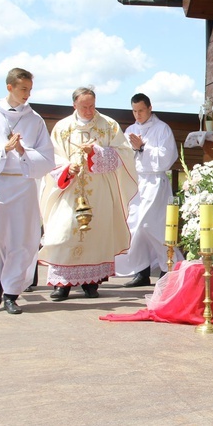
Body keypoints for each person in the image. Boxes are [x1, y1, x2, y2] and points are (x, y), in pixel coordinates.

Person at [0, 67, 55, 314]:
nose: (27, 94)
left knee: (22, 240)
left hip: (24, 185)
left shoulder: (34, 120)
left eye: (30, 89)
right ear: (10, 87)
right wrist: (3, 150)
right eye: (23, 89)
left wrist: (23, 151)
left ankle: (12, 293)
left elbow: (47, 157)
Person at [38, 86, 138, 301]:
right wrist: (67, 169)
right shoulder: (62, 127)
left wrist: (96, 153)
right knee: (63, 232)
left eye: (92, 106)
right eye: (84, 106)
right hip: (69, 189)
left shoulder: (108, 125)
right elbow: (53, 156)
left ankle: (91, 282)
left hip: (98, 190)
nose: (89, 110)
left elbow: (123, 154)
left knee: (96, 233)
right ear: (74, 105)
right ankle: (61, 284)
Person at [115, 93, 182, 287]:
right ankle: (141, 271)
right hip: (137, 183)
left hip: (155, 183)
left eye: (141, 110)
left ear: (150, 108)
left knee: (152, 226)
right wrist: (134, 150)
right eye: (134, 111)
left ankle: (168, 267)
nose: (138, 115)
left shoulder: (162, 129)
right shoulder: (130, 130)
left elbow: (167, 157)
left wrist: (143, 148)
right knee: (135, 227)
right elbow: (125, 158)